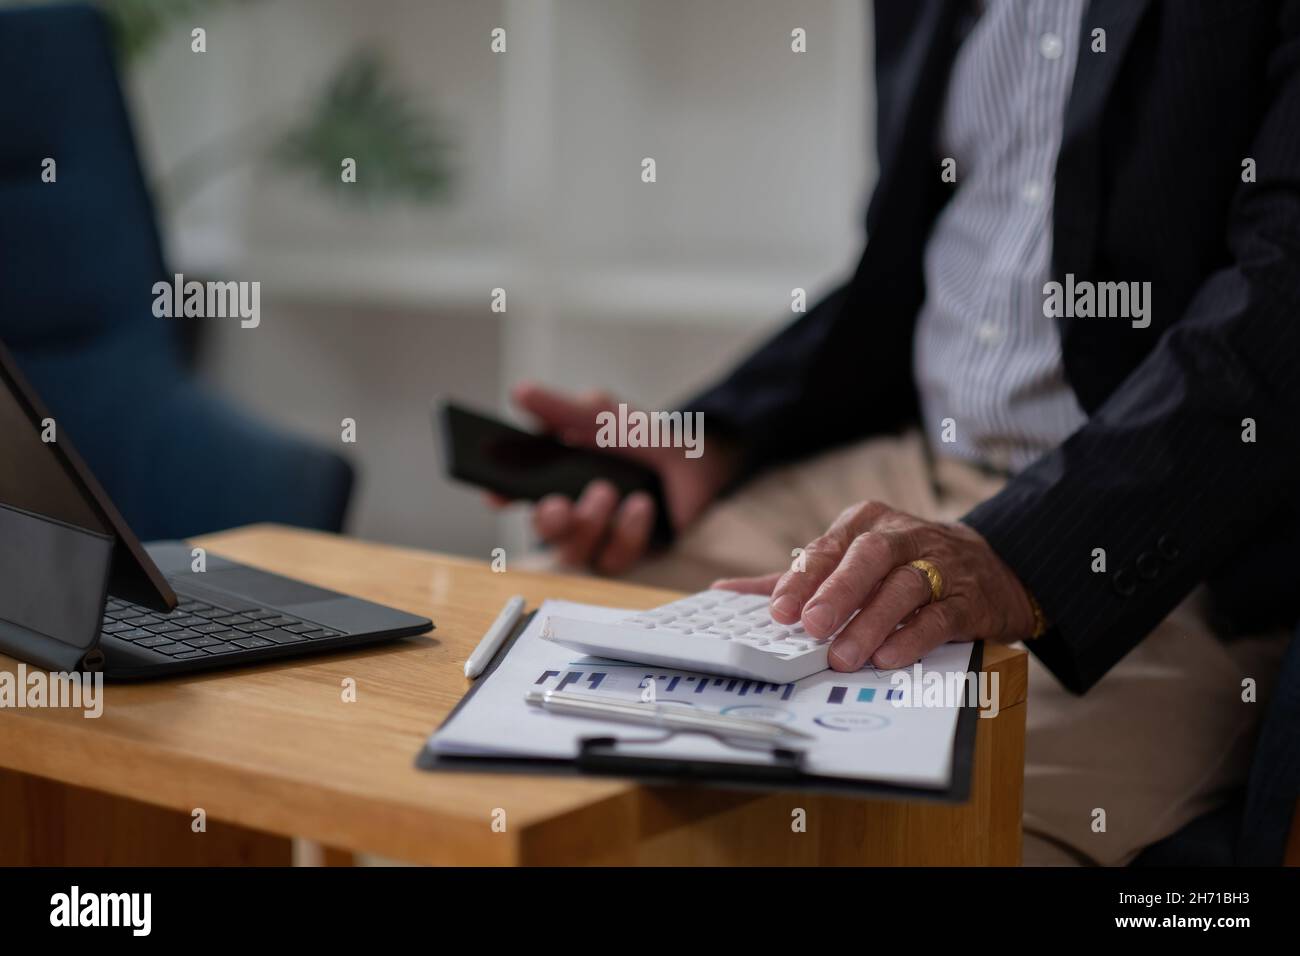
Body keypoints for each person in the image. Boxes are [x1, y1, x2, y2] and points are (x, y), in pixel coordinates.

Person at [496, 0, 1299, 864]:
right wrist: (716, 435)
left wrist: (1024, 555)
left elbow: (1285, 297)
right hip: (897, 480)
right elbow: (899, 270)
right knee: (516, 692)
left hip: (1152, 540)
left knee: (877, 838)